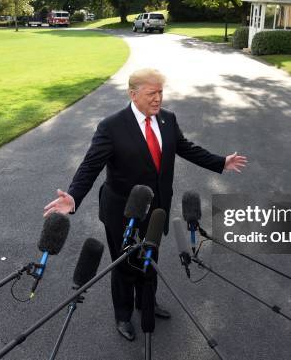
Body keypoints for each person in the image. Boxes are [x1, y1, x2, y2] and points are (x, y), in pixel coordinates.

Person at [43, 68, 247, 341]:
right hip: (121, 211)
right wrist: (74, 196)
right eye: (152, 93)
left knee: (150, 259)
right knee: (125, 264)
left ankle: (146, 303)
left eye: (161, 92)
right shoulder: (111, 126)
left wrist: (220, 162)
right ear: (133, 94)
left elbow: (185, 147)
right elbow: (91, 166)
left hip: (156, 209)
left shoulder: (167, 120)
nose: (158, 98)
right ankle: (123, 315)